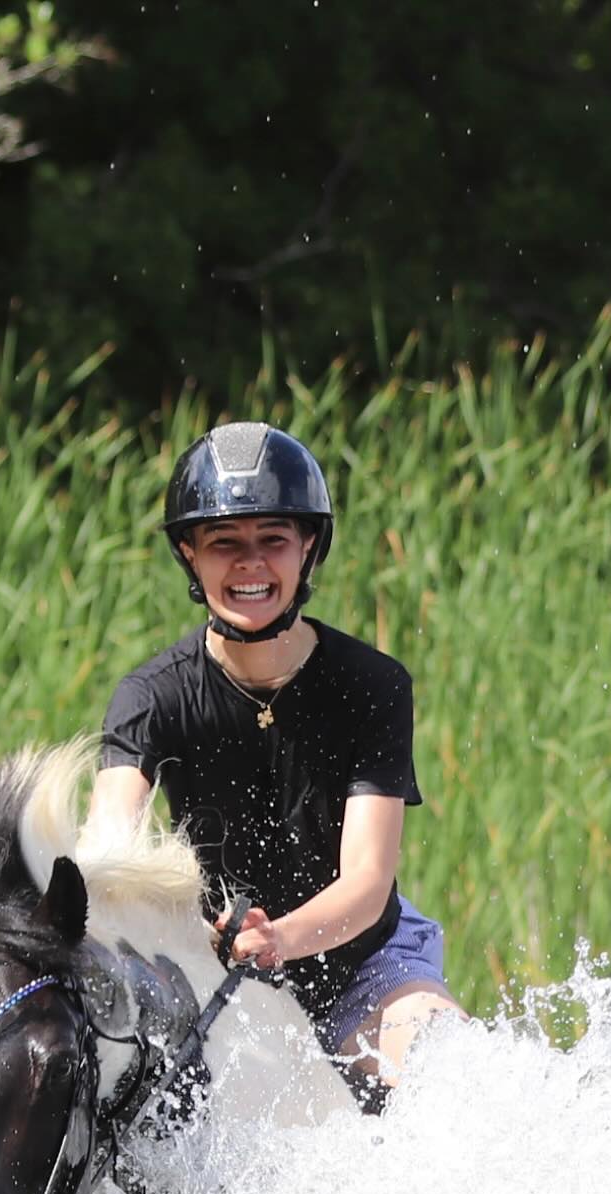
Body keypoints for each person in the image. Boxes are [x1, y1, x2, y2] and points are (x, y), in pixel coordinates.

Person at [87, 420, 464, 1111]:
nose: (250, 565)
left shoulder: (373, 685)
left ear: (309, 547)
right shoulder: (150, 696)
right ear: (188, 554)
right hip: (209, 975)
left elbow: (369, 882)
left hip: (364, 963)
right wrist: (183, 933)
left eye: (273, 542)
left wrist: (278, 939)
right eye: (225, 544)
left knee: (450, 1068)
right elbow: (108, 852)